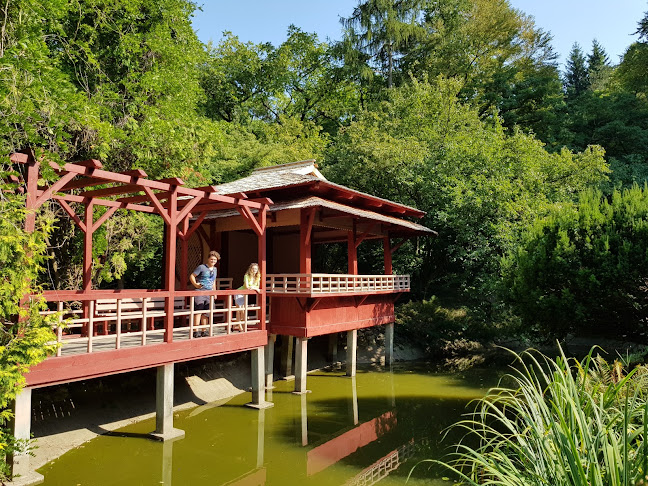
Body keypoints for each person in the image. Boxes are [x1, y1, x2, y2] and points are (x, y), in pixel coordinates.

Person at [189, 251, 220, 338]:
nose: (213, 261)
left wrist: (215, 292)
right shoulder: (202, 267)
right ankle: (195, 331)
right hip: (200, 291)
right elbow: (192, 276)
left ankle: (204, 330)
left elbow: (213, 281)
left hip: (209, 292)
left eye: (215, 260)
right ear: (208, 259)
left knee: (206, 312)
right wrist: (196, 284)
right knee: (198, 311)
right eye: (211, 259)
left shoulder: (215, 269)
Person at [234, 263, 261, 330]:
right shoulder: (246, 276)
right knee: (239, 310)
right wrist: (254, 288)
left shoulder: (257, 277)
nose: (254, 270)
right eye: (253, 268)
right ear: (250, 269)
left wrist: (253, 287)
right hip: (239, 292)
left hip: (245, 295)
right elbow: (246, 286)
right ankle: (240, 327)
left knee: (243, 311)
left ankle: (241, 326)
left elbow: (258, 286)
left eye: (256, 269)